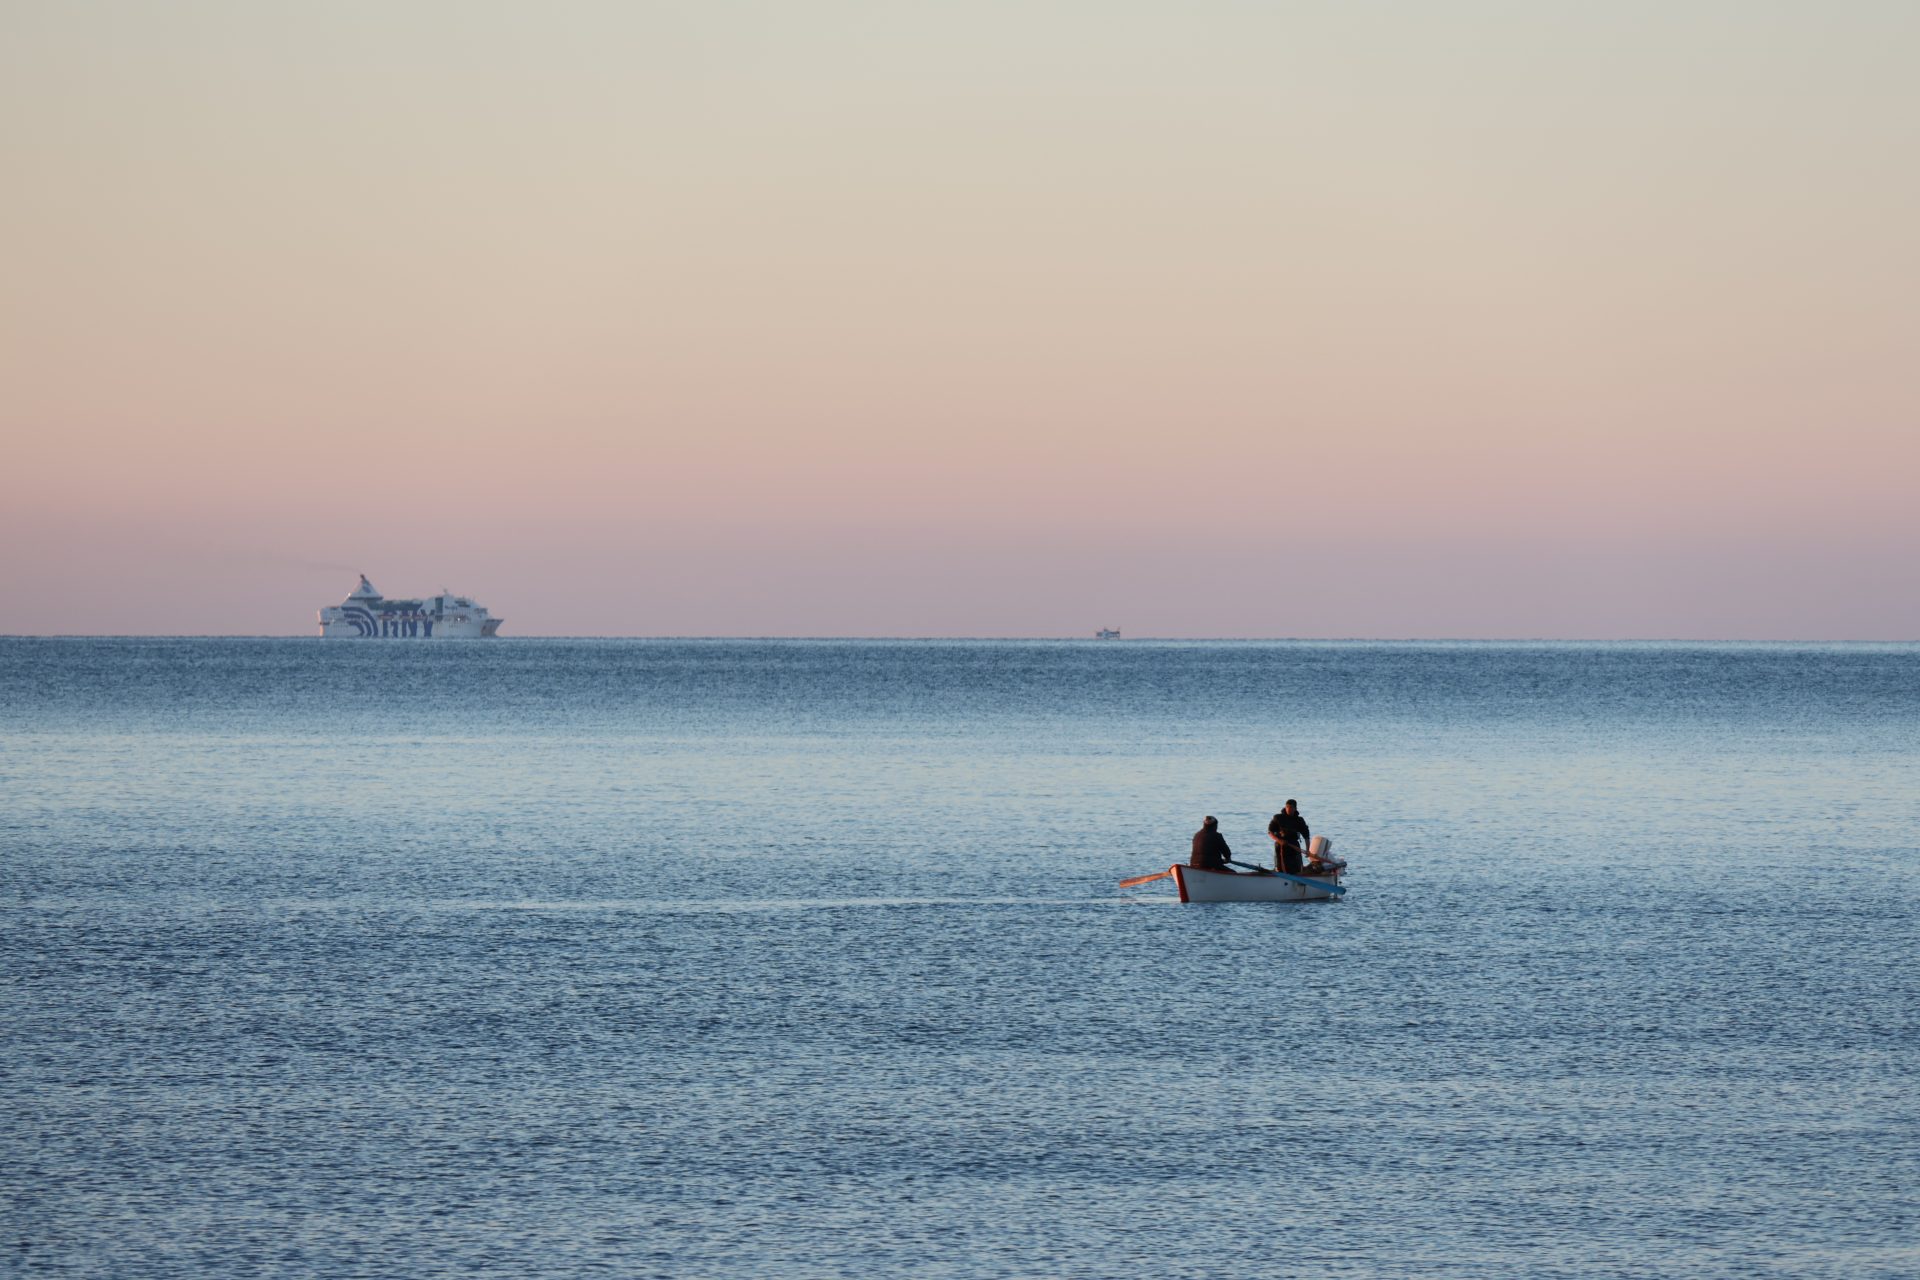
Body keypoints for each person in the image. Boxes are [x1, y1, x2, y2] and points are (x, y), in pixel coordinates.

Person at [1269, 800, 1309, 875]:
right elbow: (1270, 832)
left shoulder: (1299, 820)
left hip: (1294, 845)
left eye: (1291, 807)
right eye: (1287, 807)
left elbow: (1306, 836)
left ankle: (1297, 878)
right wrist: (1279, 840)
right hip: (1281, 845)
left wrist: (1307, 850)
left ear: (1295, 808)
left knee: (1297, 868)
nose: (1288, 809)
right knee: (1281, 868)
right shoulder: (1278, 817)